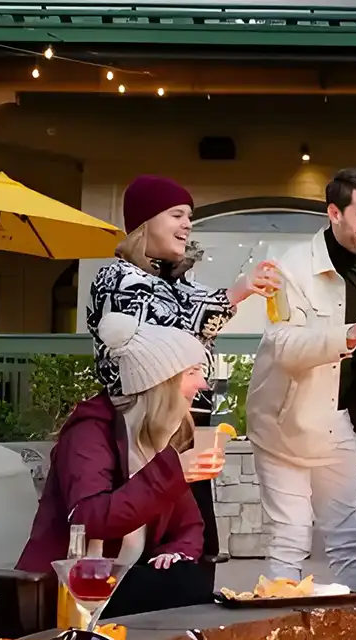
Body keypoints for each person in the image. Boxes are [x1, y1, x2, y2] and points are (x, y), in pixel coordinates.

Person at [86, 175, 278, 579]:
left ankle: (189, 614)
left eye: (189, 215)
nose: (188, 223)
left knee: (196, 528)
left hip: (185, 416)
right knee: (152, 529)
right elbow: (161, 338)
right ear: (144, 223)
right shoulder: (118, 279)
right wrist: (234, 294)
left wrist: (235, 293)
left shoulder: (178, 280)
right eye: (176, 214)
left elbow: (199, 322)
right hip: (140, 422)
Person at [13, 313, 225, 622]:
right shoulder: (90, 431)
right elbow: (88, 520)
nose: (202, 383)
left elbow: (189, 525)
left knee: (188, 579)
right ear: (160, 382)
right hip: (65, 590)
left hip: (119, 577)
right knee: (186, 590)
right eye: (192, 372)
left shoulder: (157, 435)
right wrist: (171, 473)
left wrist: (176, 552)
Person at [246, 168, 356, 589]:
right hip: (282, 424)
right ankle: (280, 637)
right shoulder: (287, 269)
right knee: (290, 539)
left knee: (350, 538)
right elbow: (283, 346)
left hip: (339, 420)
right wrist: (352, 332)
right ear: (335, 212)